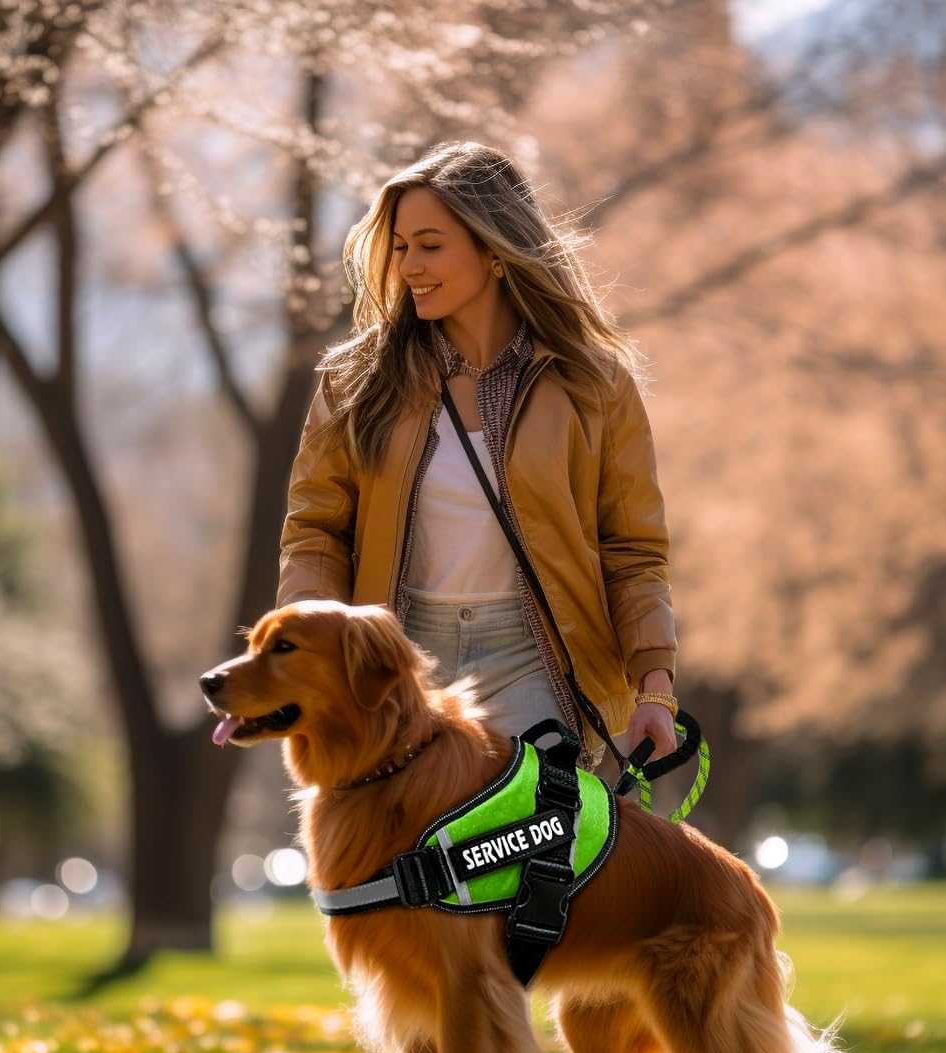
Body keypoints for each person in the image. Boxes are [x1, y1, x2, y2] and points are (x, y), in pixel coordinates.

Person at [276, 141, 676, 772]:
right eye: (401, 246)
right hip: (397, 665)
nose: (409, 265)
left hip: (532, 659)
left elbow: (631, 550)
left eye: (431, 245)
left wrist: (654, 683)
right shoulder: (355, 382)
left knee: (530, 857)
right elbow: (316, 533)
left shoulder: (593, 386)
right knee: (391, 866)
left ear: (493, 251)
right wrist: (313, 653)